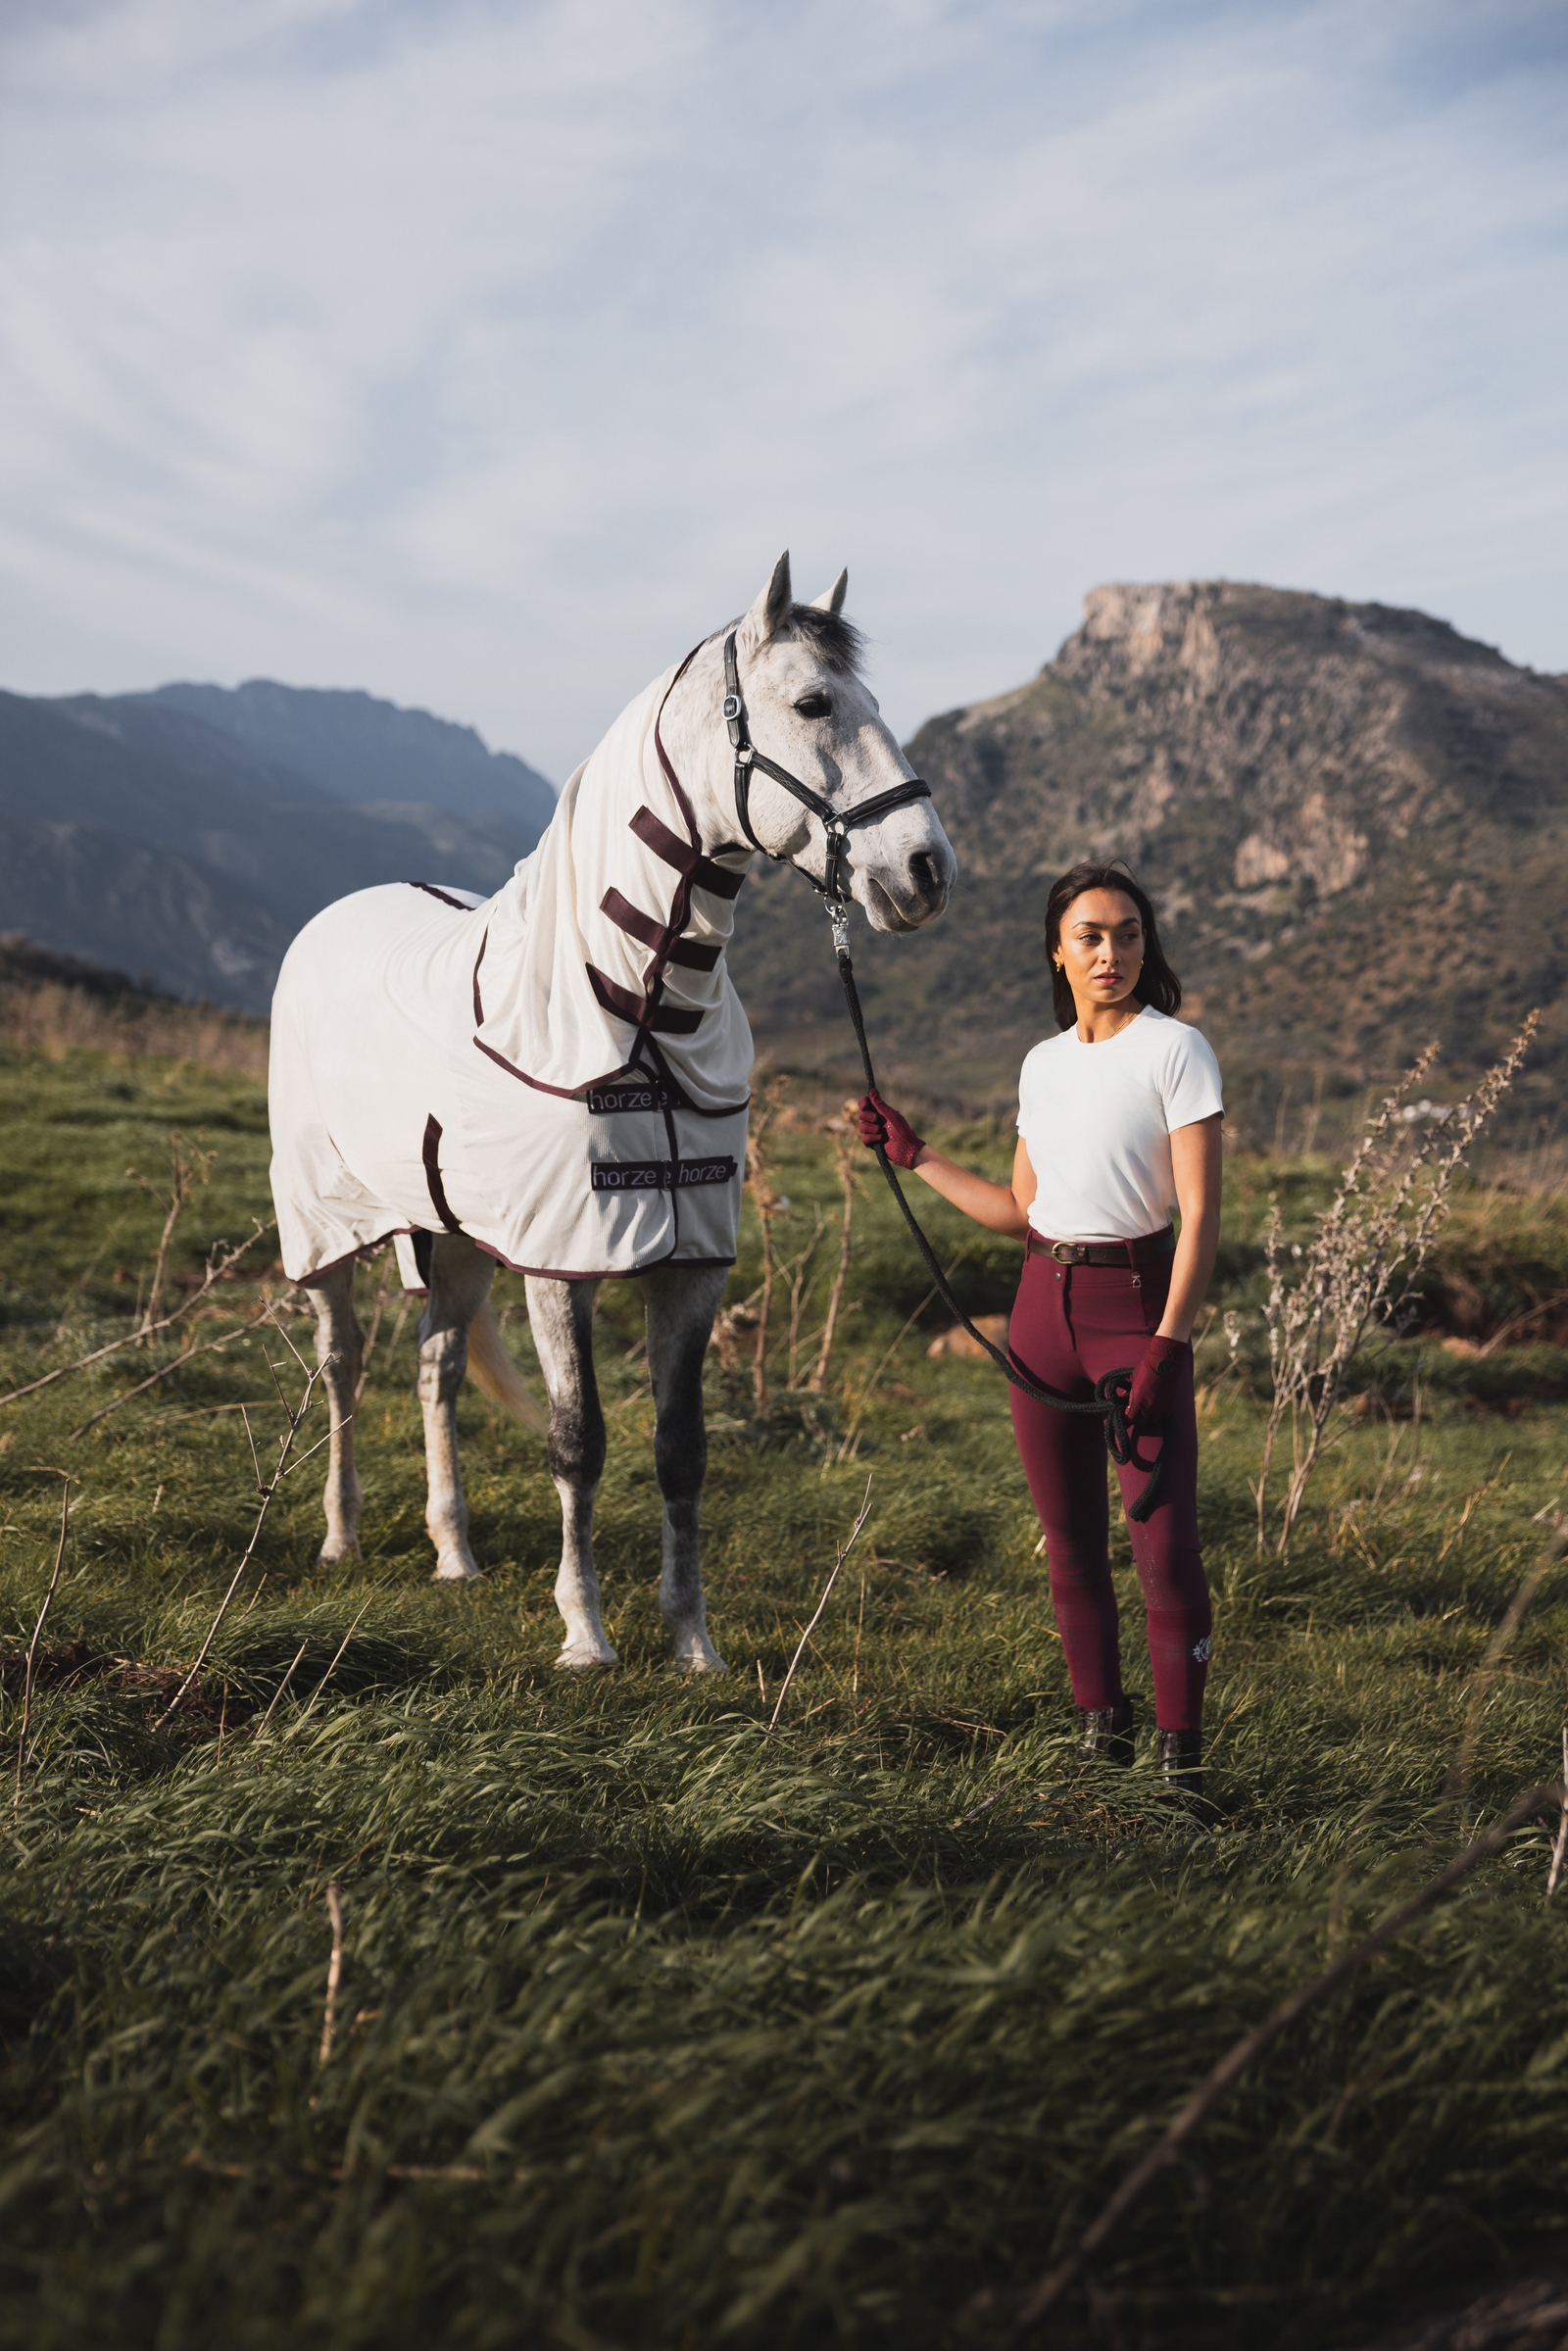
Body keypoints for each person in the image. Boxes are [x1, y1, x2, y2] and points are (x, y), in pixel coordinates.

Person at [857, 859, 1224, 1798]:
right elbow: (1020, 1207)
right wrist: (915, 1152)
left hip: (1136, 1315)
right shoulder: (1041, 1062)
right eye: (1092, 935)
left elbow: (1200, 1221)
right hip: (1037, 1315)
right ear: (1057, 951)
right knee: (1069, 1544)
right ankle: (1102, 1751)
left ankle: (1182, 1776)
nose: (1113, 952)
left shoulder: (1176, 1051)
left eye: (1130, 933)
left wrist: (1167, 1346)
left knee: (1164, 1546)